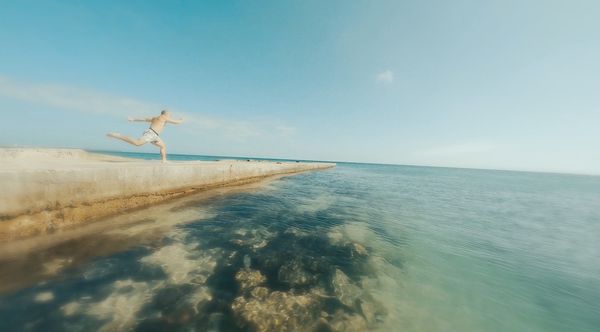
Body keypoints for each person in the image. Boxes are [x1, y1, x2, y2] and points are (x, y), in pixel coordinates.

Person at [107, 110, 183, 162]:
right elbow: (177, 122)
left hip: (155, 135)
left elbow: (144, 119)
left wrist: (133, 119)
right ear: (165, 114)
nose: (170, 116)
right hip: (151, 134)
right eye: (169, 114)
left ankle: (164, 160)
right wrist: (181, 120)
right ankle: (118, 135)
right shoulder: (164, 117)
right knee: (137, 143)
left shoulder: (155, 118)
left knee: (163, 146)